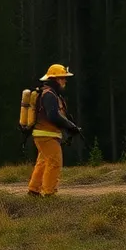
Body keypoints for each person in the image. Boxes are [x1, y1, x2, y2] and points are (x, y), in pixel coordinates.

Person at [27, 64, 81, 197]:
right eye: (62, 78)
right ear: (55, 79)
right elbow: (53, 116)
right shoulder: (50, 95)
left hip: (43, 134)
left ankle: (34, 190)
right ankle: (49, 193)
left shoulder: (47, 93)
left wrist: (69, 126)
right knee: (55, 162)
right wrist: (70, 126)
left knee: (43, 162)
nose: (65, 81)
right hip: (46, 135)